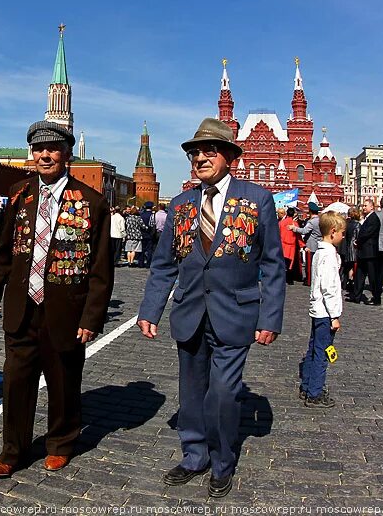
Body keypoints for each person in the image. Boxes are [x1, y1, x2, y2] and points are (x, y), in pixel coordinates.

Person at [137, 118, 285, 498]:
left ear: (228, 157)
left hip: (235, 313)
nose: (199, 157)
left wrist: (270, 316)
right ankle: (194, 454)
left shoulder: (256, 198)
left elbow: (271, 263)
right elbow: (165, 263)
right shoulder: (183, 202)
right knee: (191, 389)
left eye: (208, 150)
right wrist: (150, 309)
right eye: (194, 152)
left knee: (223, 392)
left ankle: (222, 461)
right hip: (189, 312)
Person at [0, 120, 113, 478]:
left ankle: (60, 442)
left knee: (63, 380)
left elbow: (102, 268)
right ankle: (13, 450)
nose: (44, 155)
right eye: (38, 149)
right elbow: (3, 248)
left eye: (52, 149)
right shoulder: (19, 194)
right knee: (15, 380)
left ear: (67, 154)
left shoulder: (92, 202)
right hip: (22, 306)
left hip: (66, 308)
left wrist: (92, 317)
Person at [300, 212, 345, 409]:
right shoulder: (328, 255)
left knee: (314, 348)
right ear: (333, 232)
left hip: (317, 310)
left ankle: (308, 385)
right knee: (322, 351)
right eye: (342, 233)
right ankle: (315, 392)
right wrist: (335, 316)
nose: (344, 237)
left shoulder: (320, 252)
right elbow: (330, 288)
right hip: (326, 312)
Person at [352, 199, 380, 305]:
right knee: (359, 274)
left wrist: (357, 241)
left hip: (370, 252)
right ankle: (357, 296)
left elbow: (367, 233)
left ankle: (376, 298)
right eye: (363, 206)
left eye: (365, 206)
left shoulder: (374, 219)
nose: (364, 207)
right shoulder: (367, 218)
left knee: (372, 277)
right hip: (364, 251)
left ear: (372, 207)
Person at [290, 202, 321, 286]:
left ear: (310, 211)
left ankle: (309, 280)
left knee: (309, 265)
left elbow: (304, 231)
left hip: (311, 245)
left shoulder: (311, 222)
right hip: (318, 244)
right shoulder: (320, 220)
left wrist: (294, 228)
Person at [277, 207, 299, 284]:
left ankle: (281, 278)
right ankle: (289, 279)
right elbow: (298, 236)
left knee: (282, 262)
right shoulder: (295, 224)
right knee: (290, 264)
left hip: (283, 244)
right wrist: (303, 245)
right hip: (291, 245)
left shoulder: (281, 223)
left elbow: (278, 234)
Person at [341, 207, 361, 292]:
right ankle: (351, 282)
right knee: (353, 267)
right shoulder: (357, 225)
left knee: (347, 267)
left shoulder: (347, 224)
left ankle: (345, 283)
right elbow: (358, 237)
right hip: (354, 249)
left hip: (347, 247)